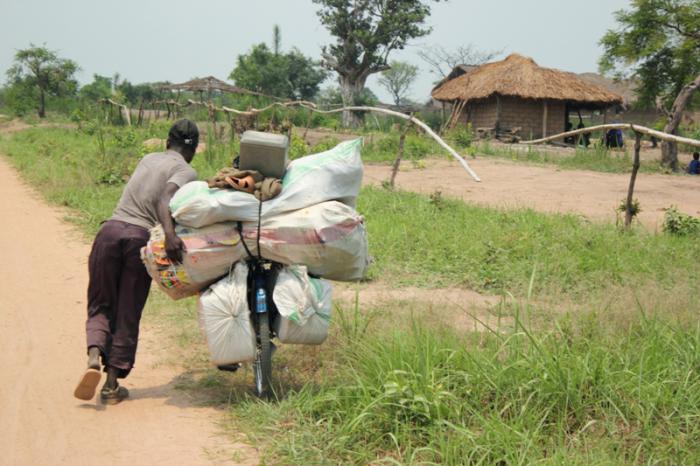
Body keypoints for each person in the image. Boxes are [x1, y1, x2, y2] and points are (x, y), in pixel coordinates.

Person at [74, 119, 199, 404]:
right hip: (138, 241)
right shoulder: (186, 170)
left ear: (168, 142)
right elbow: (163, 199)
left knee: (101, 302)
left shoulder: (148, 157)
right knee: (128, 309)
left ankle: (94, 353)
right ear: (193, 149)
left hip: (109, 232)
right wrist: (170, 235)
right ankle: (111, 386)